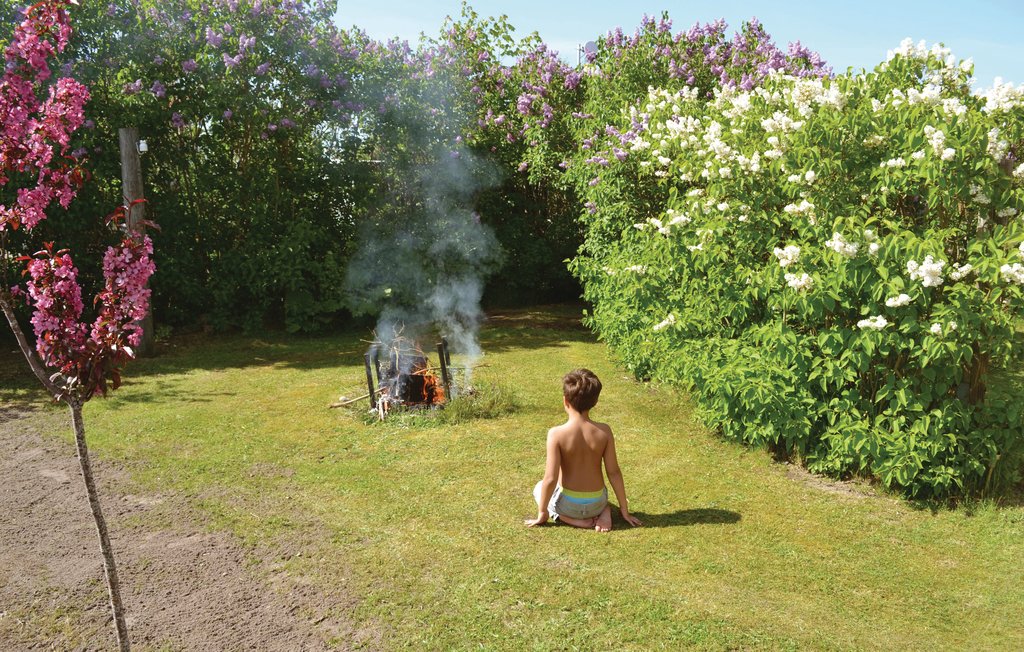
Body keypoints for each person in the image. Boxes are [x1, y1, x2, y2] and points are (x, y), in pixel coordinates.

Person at [526, 369, 642, 532]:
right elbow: (614, 472)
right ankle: (605, 511)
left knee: (539, 488)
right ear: (595, 401)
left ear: (565, 400)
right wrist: (624, 509)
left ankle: (564, 517)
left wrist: (542, 512)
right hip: (597, 503)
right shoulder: (604, 431)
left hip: (568, 506)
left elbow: (550, 479)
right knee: (600, 498)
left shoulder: (556, 434)